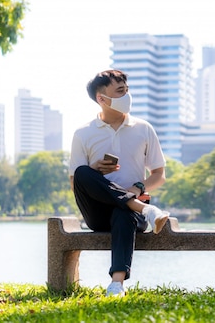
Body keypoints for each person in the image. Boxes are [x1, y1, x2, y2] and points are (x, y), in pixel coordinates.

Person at [69, 69, 170, 297]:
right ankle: (146, 209)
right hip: (98, 213)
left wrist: (138, 188)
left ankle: (117, 284)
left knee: (123, 213)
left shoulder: (144, 129)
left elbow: (159, 174)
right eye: (120, 91)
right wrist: (94, 169)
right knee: (83, 172)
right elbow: (75, 181)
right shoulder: (83, 133)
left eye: (127, 90)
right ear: (101, 99)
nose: (127, 96)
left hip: (131, 217)